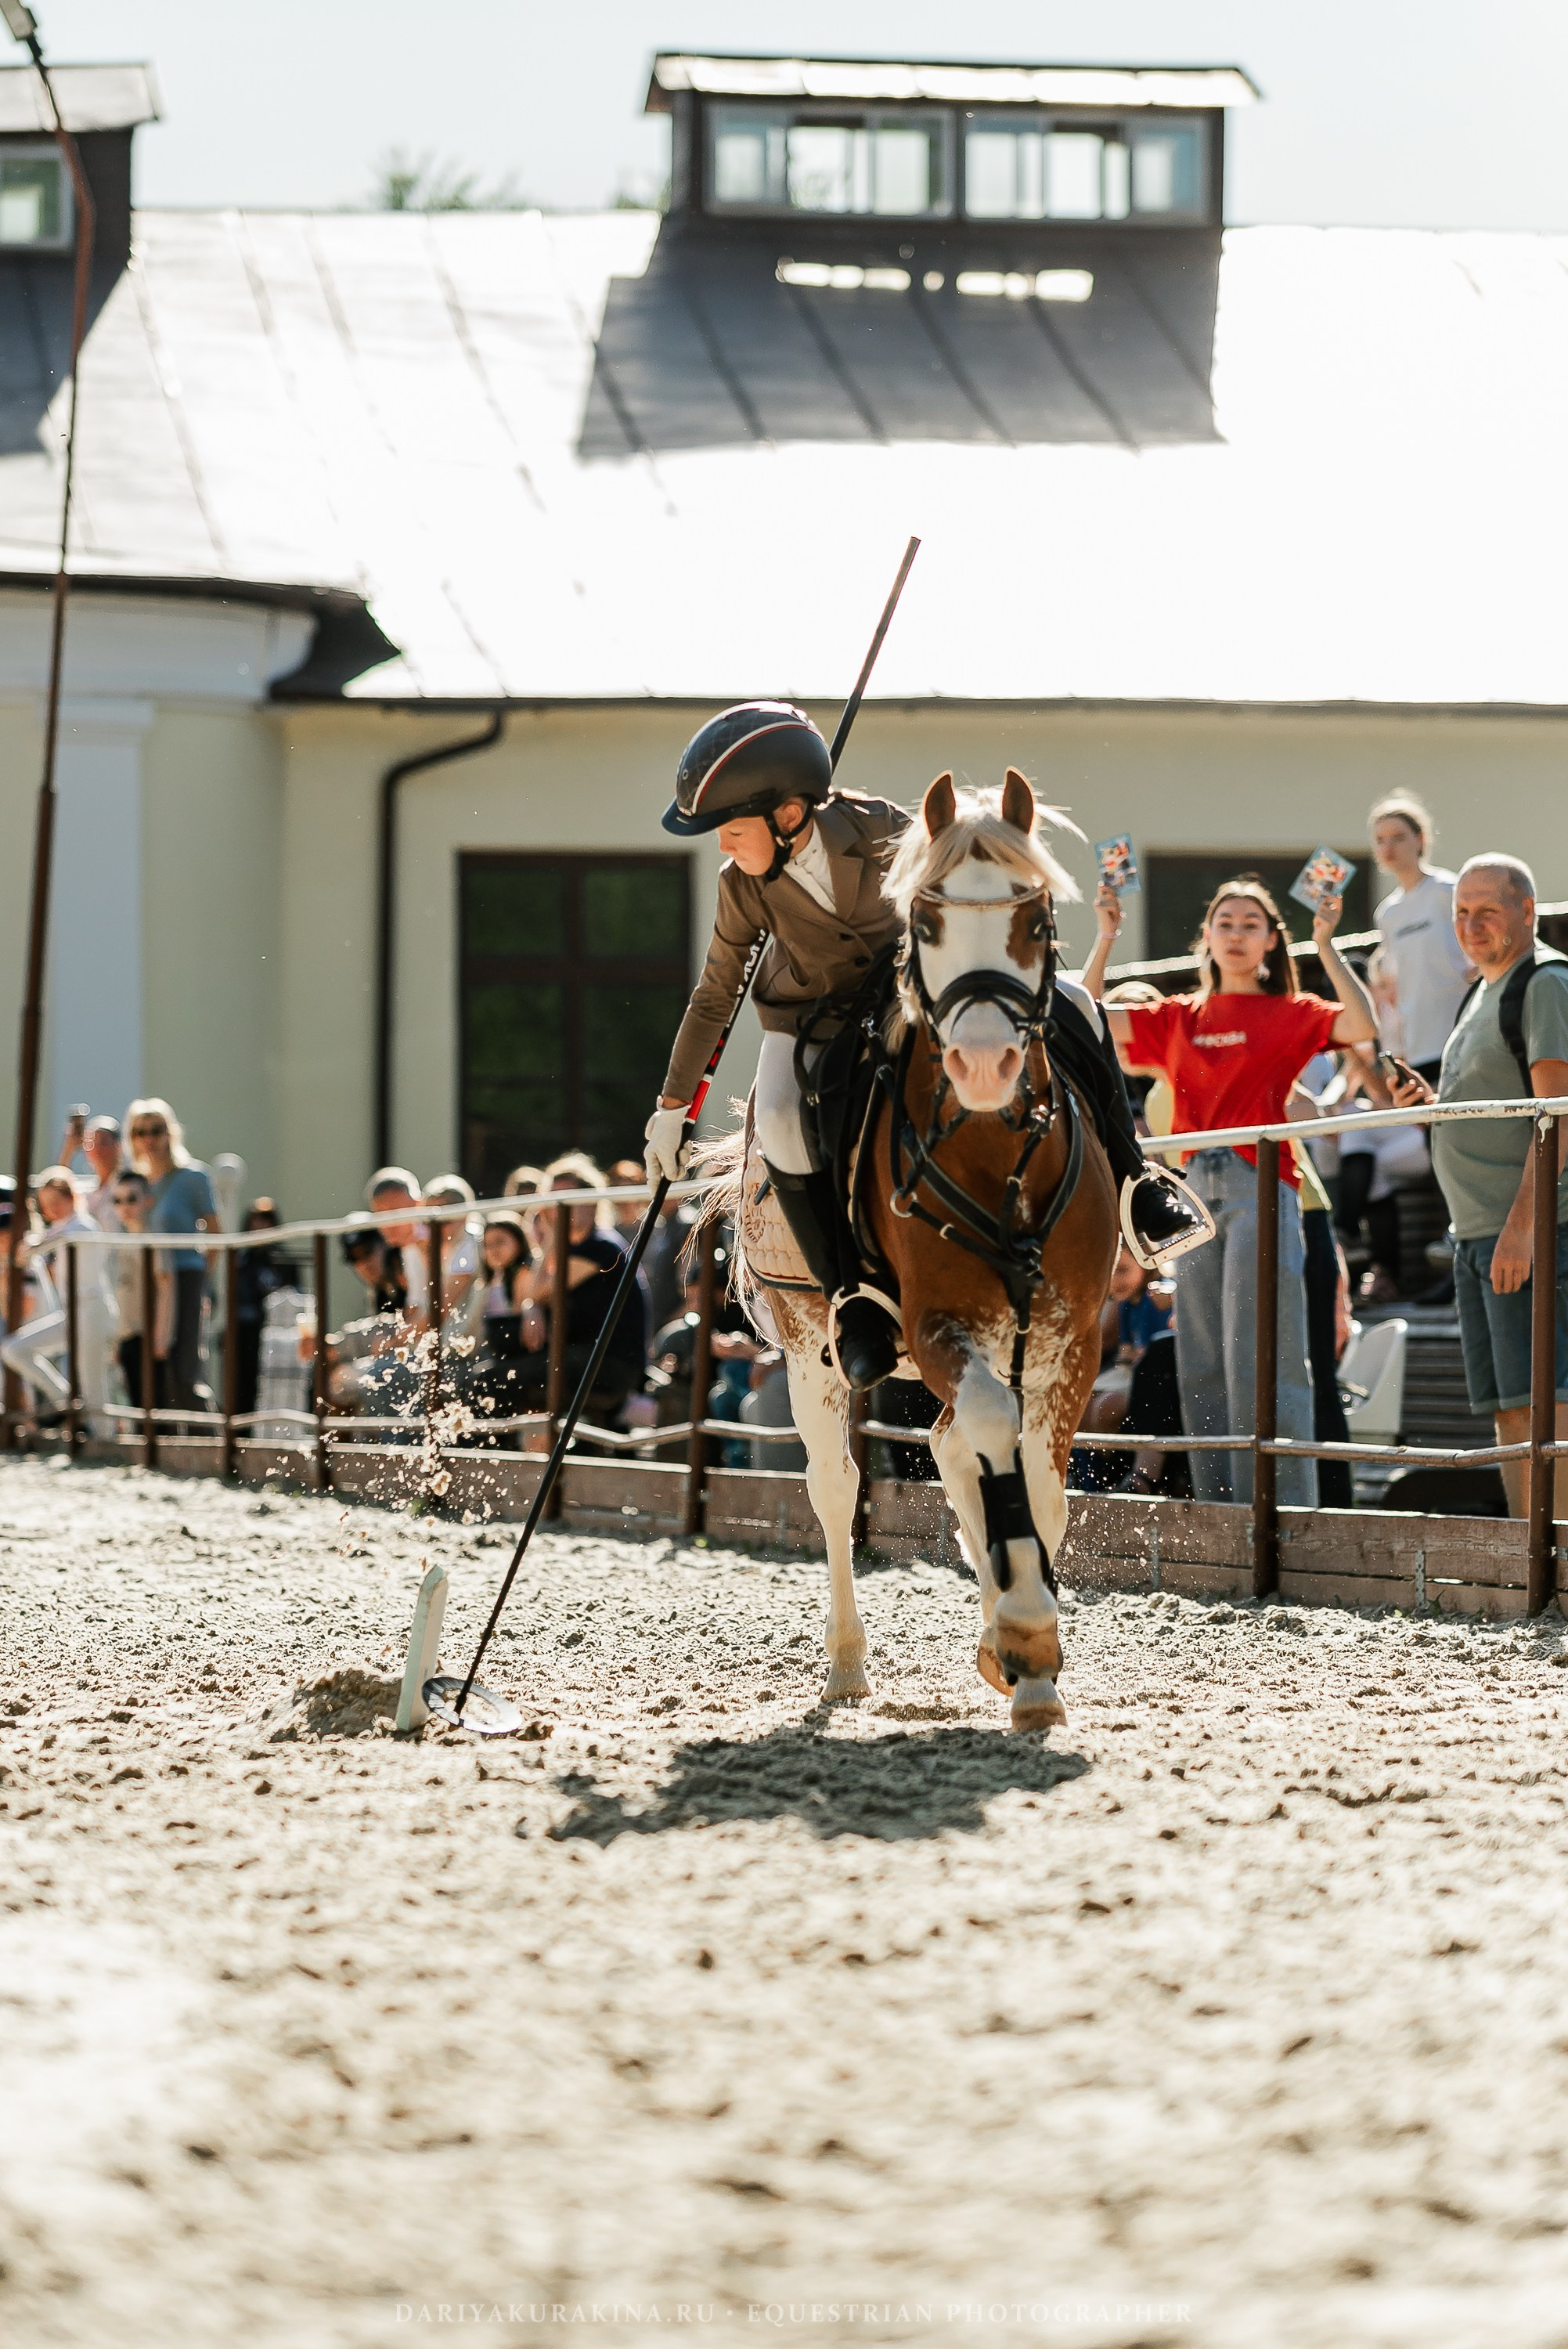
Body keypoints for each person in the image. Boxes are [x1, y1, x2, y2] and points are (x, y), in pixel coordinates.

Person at [645, 702, 1206, 1391]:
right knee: (786, 1121)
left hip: (905, 994)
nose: (725, 847)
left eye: (732, 830)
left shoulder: (883, 828)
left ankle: (1138, 1184)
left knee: (1082, 1004)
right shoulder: (741, 886)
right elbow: (715, 992)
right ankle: (851, 1297)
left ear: (788, 815)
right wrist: (672, 1107)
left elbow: (965, 887)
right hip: (805, 1017)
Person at [1095, 876, 1378, 1507]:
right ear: (1207, 936)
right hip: (1194, 1191)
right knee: (1198, 1359)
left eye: (1251, 922)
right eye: (1225, 921)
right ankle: (1223, 1517)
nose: (1237, 932)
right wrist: (1106, 936)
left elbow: (1361, 1024)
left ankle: (1286, 1517)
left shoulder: (1292, 1010)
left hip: (1263, 1183)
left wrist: (1325, 945)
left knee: (1264, 1357)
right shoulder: (1177, 1015)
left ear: (1272, 940)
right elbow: (1084, 1015)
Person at [1390, 855, 1568, 1517]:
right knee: (1507, 1404)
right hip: (1475, 1234)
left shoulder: (1543, 982)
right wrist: (1429, 1102)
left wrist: (1523, 1226)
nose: (1470, 924)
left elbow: (1558, 1114)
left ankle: (1560, 1555)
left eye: (1487, 910)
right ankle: (1530, 1557)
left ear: (1527, 909)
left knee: (1548, 1400)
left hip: (1524, 1231)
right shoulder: (1480, 991)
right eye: (1460, 911)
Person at [1369, 792, 1473, 1084]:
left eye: (1398, 837)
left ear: (1421, 839)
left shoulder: (1449, 890)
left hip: (1463, 1034)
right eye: (1380, 839)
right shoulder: (1387, 913)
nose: (1388, 847)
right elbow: (1393, 985)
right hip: (1417, 1044)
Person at [0, 1168, 117, 1429]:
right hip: (72, 1312)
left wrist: (32, 1244)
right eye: (46, 1205)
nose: (51, 1210)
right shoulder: (58, 1230)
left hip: (93, 1309)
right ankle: (66, 1402)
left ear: (72, 1197)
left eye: (56, 1202)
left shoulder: (82, 1225)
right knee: (14, 1349)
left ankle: (105, 1440)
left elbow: (51, 1242)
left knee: (92, 1381)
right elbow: (32, 1250)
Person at [124, 1099, 218, 1410]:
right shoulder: (135, 1183)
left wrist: (203, 1282)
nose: (149, 1139)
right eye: (140, 1132)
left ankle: (211, 1442)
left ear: (170, 1132)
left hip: (185, 1274)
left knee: (184, 1365)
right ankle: (162, 1444)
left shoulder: (193, 1176)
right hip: (146, 1281)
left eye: (156, 1130)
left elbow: (216, 1233)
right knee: (149, 1364)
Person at [110, 1169, 171, 1416]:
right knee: (135, 1405)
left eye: (132, 1199)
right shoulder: (122, 1240)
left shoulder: (154, 1238)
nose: (125, 1206)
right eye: (118, 1200)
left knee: (154, 1409)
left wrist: (161, 1337)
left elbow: (167, 1287)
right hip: (126, 1336)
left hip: (148, 1336)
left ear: (148, 1200)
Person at [232, 1200, 298, 1420]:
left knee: (278, 1385)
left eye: (266, 1222)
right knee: (243, 1384)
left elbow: (294, 1296)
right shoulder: (241, 1261)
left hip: (277, 1335)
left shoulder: (284, 1260)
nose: (260, 1228)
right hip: (246, 1333)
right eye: (256, 1222)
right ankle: (243, 1431)